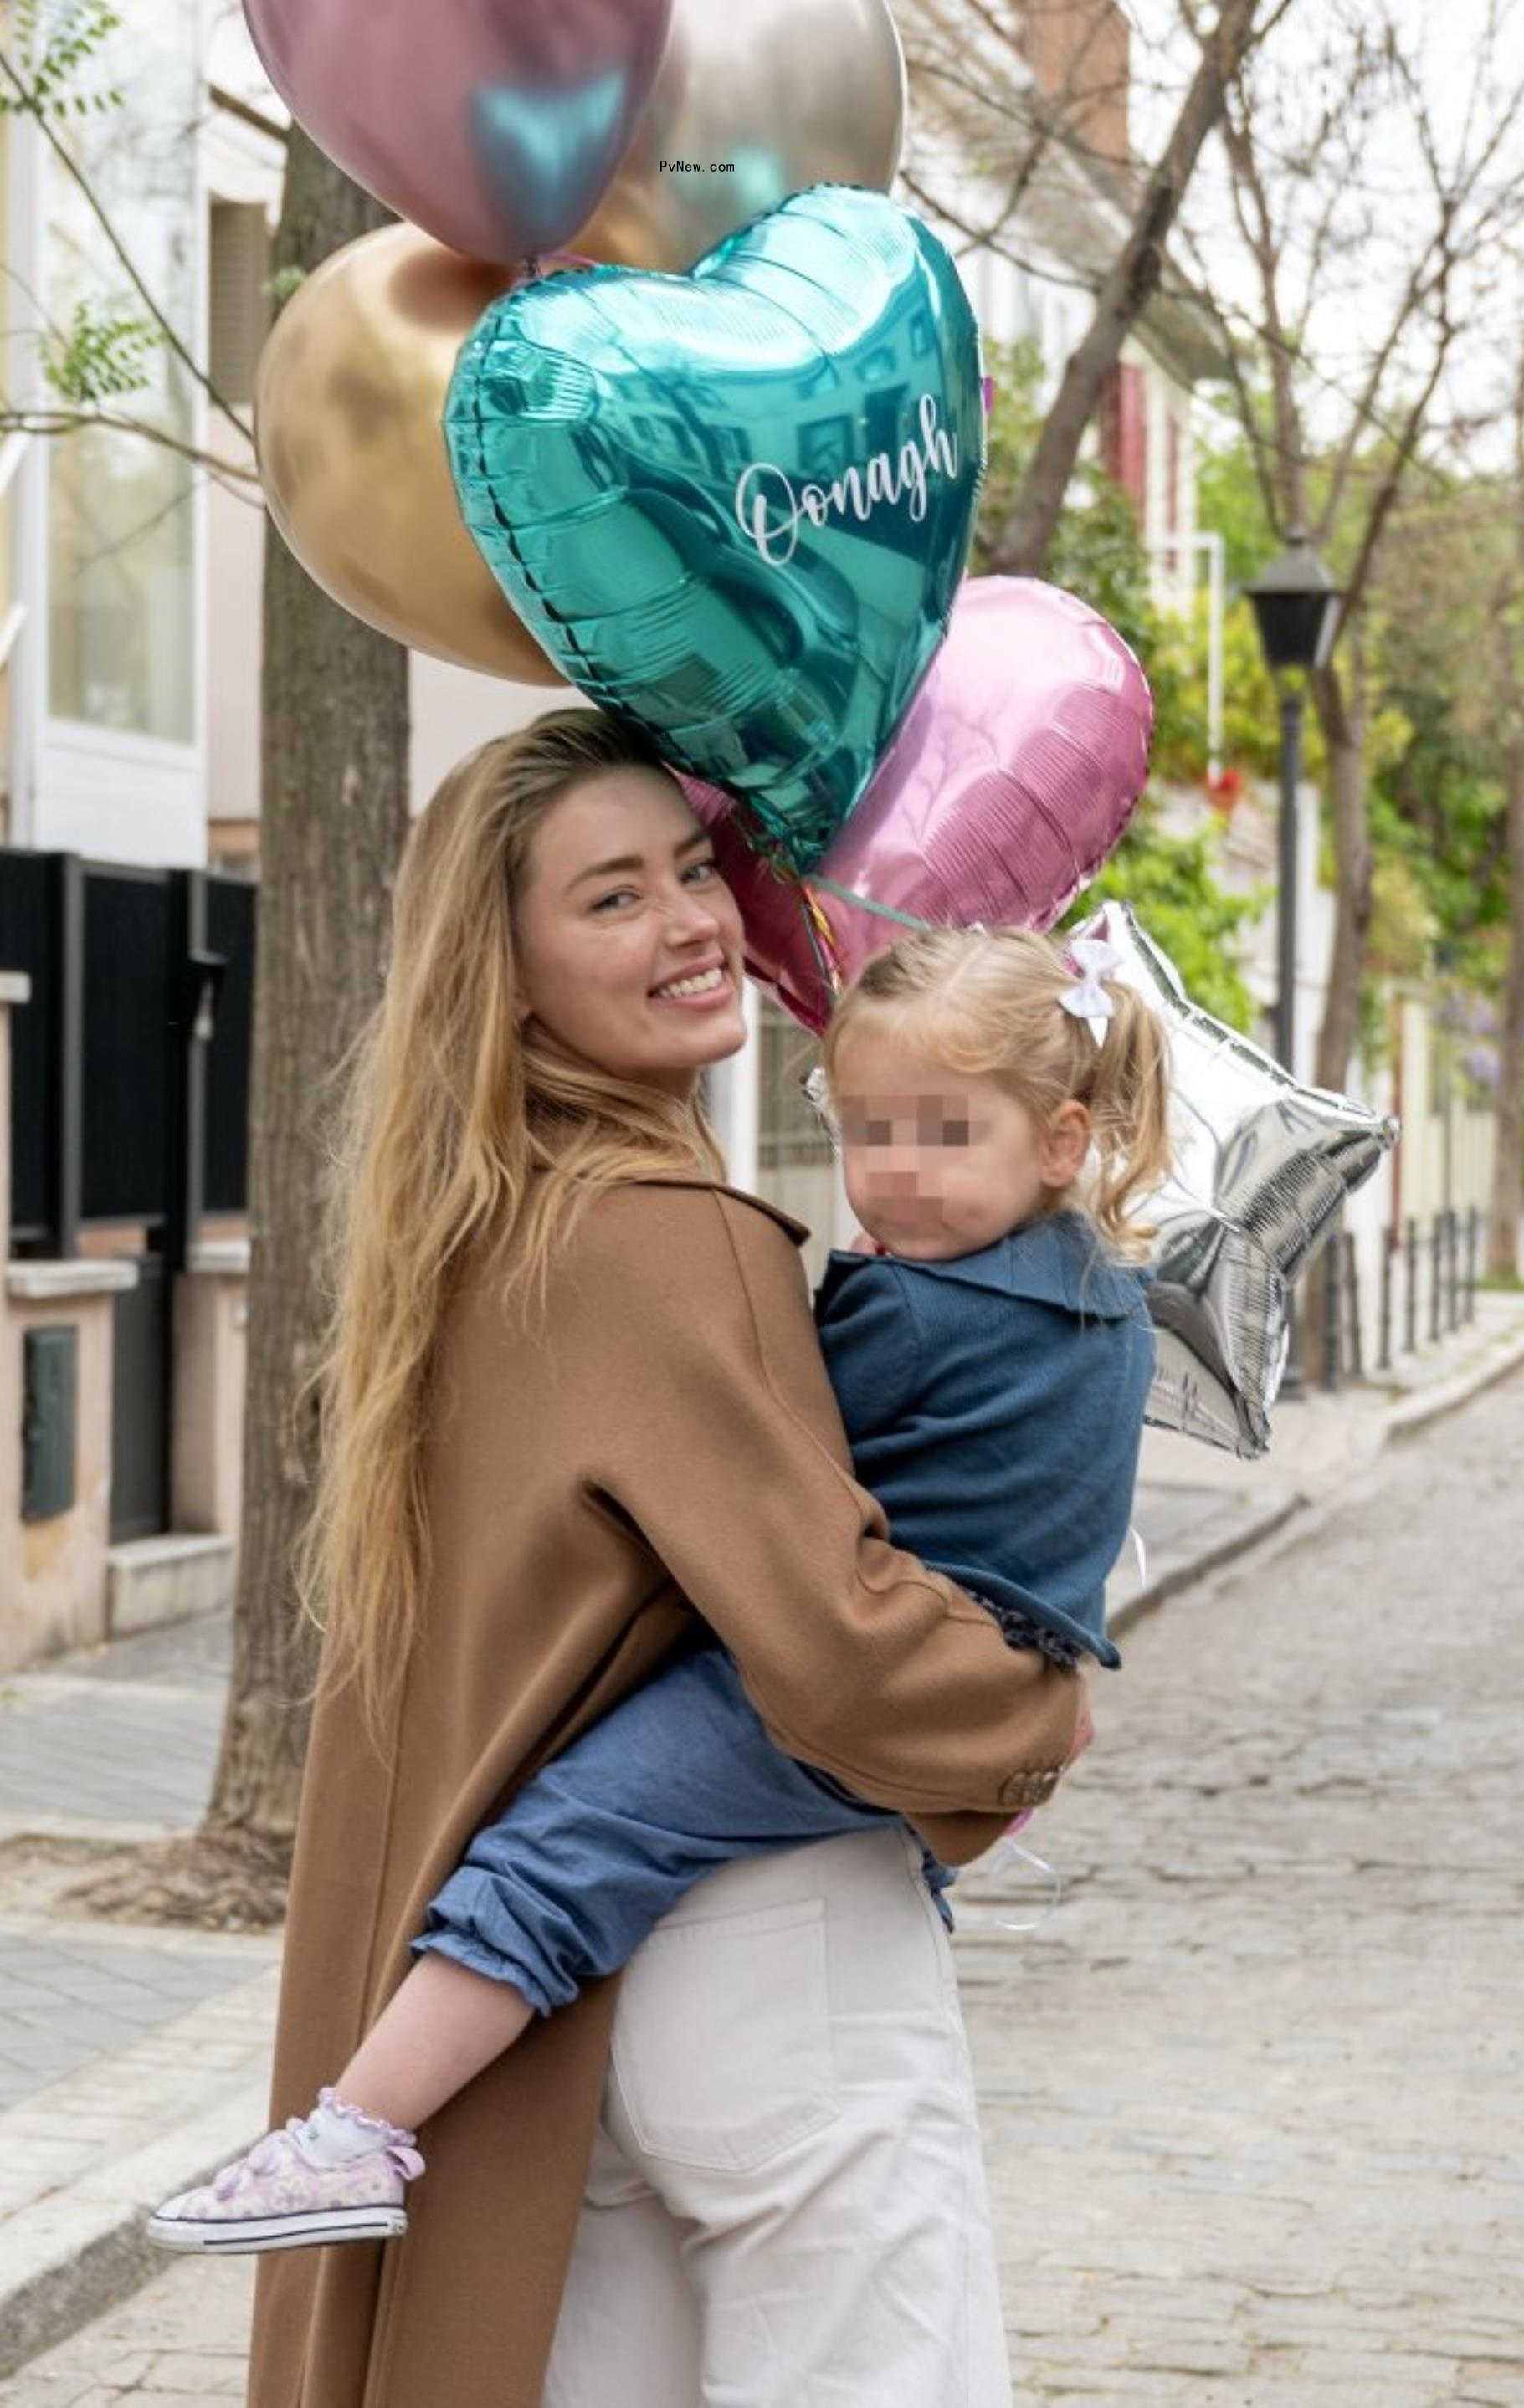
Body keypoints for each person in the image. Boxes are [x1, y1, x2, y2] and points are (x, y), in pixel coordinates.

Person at [208, 710, 1091, 2408]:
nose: (692, 920)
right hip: (781, 1963)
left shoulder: (470, 1236)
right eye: (612, 898)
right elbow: (835, 1641)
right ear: (512, 969)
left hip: (572, 2015)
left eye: (691, 868)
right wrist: (1036, 1708)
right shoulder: (678, 1237)